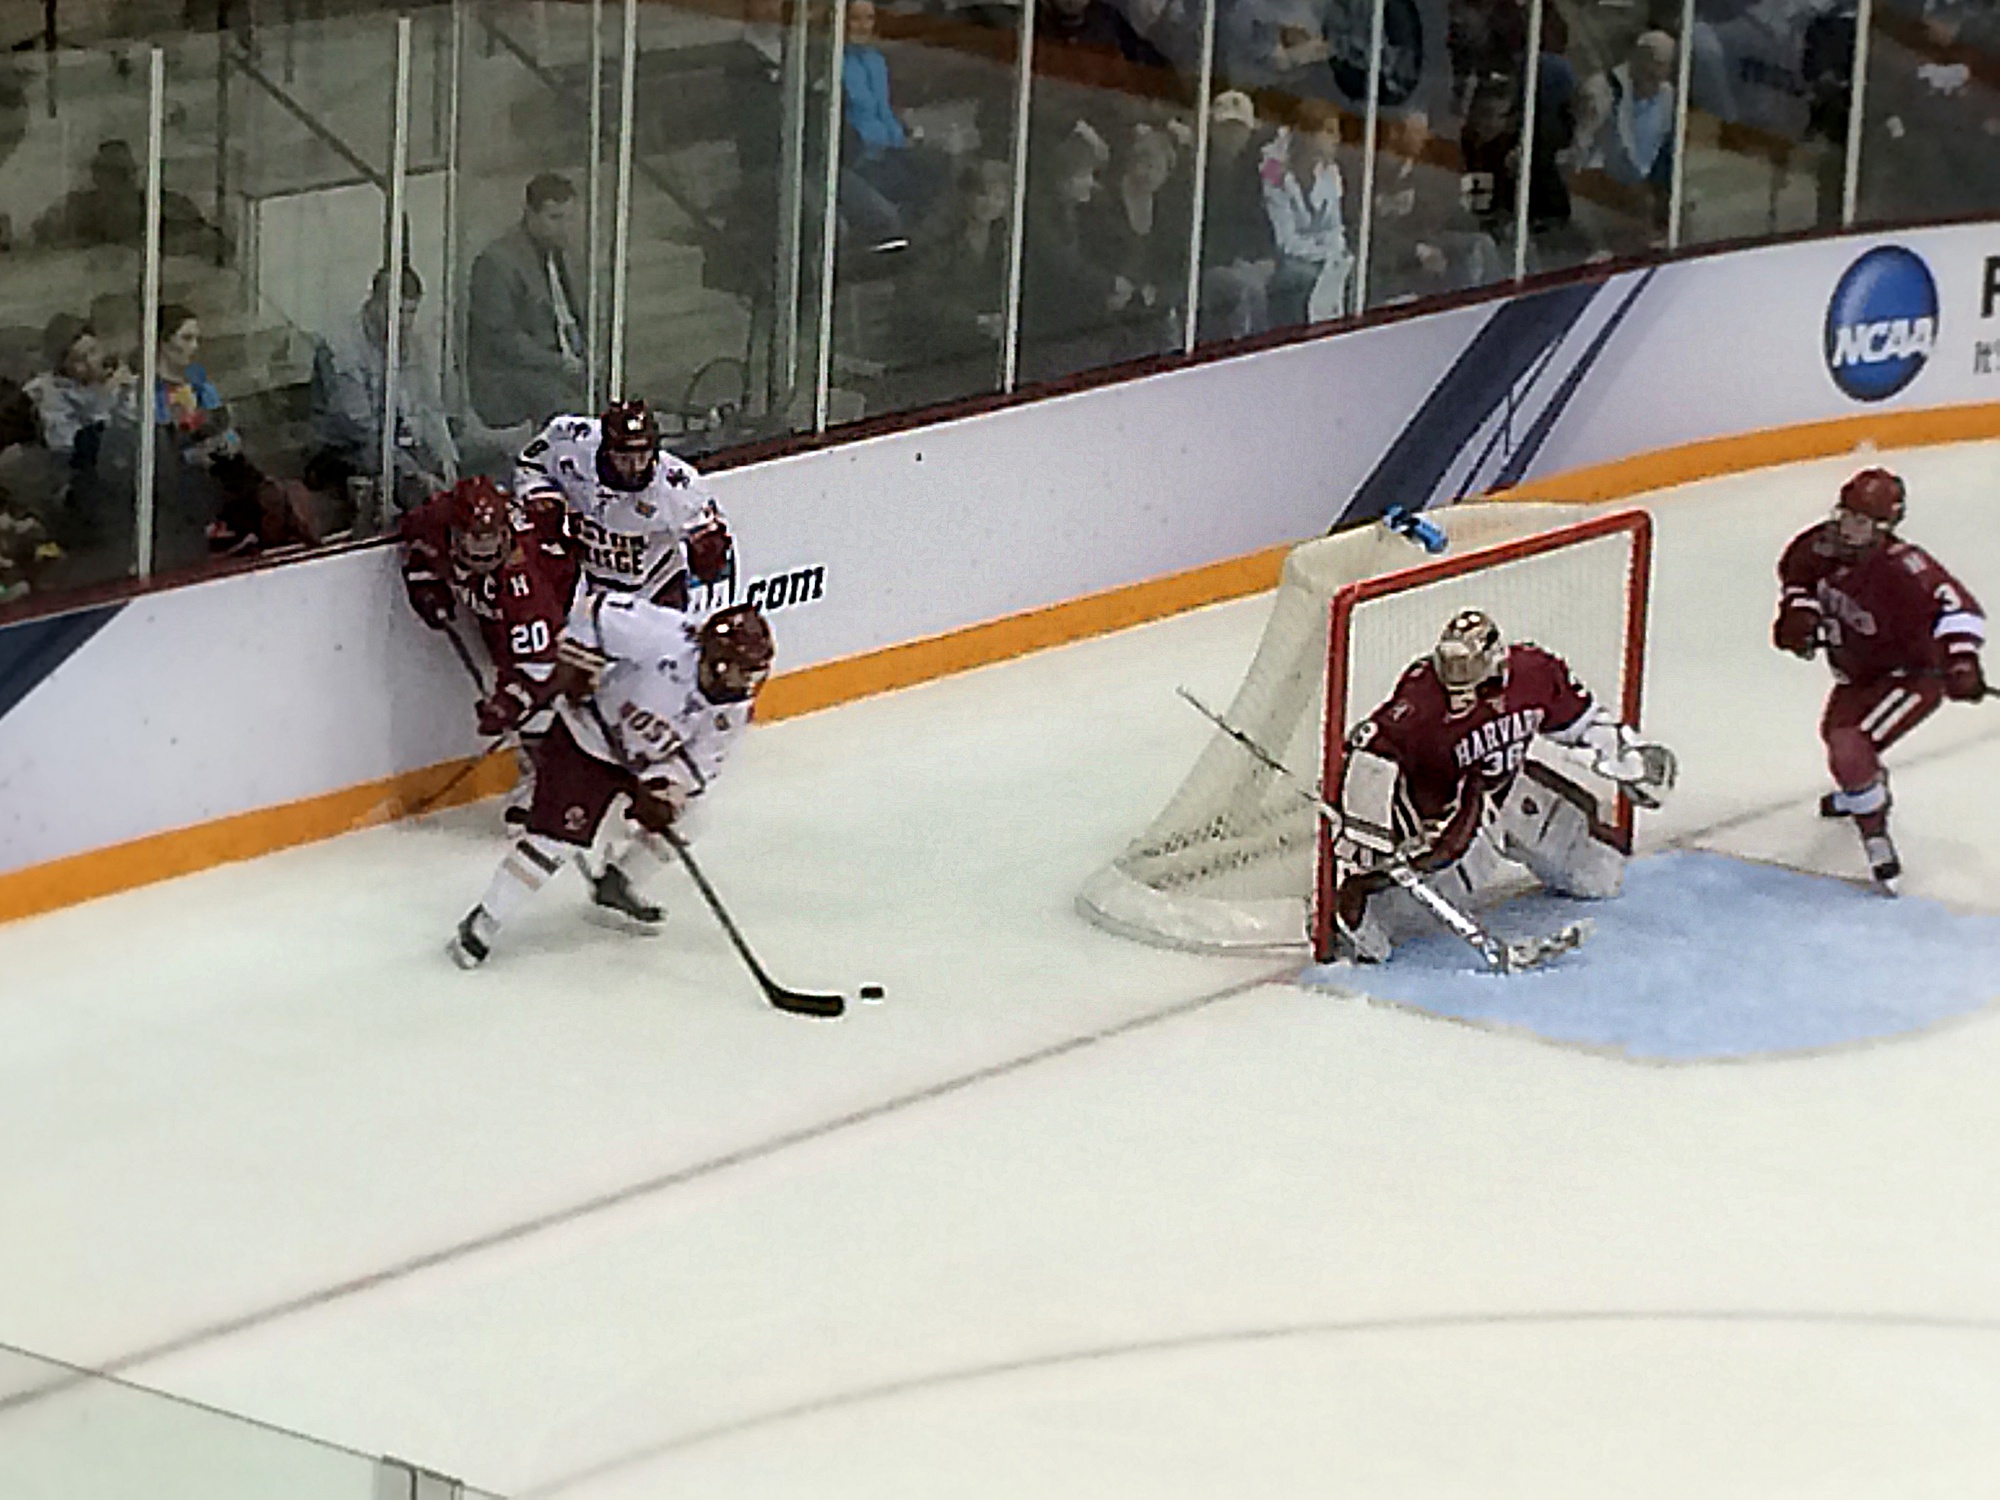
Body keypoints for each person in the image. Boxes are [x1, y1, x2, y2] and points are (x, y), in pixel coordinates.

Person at [1329, 608, 1677, 962]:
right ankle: (1347, 911)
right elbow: (1370, 750)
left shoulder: (1534, 673)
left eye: (1466, 665)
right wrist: (1365, 826)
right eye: (1449, 663)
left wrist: (1626, 757)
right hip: (1449, 820)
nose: (1455, 675)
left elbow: (1582, 720)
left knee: (1602, 873)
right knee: (1404, 913)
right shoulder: (1421, 696)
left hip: (1512, 789)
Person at [447, 598, 775, 969]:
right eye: (742, 671)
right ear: (716, 661)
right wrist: (579, 659)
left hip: (640, 765)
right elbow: (595, 610)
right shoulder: (662, 637)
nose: (747, 682)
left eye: (753, 672)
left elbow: (697, 766)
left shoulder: (732, 711)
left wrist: (664, 792)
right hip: (583, 741)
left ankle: (616, 883)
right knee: (555, 843)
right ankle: (484, 922)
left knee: (692, 819)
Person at [1773, 467, 1987, 891]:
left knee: (1850, 745)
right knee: (1837, 743)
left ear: (1884, 527)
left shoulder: (1904, 567)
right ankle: (1861, 788)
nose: (1847, 527)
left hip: (1913, 676)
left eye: (1861, 521)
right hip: (1858, 674)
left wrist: (1961, 661)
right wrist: (1800, 615)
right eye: (1845, 514)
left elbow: (1958, 608)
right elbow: (1798, 581)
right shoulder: (1815, 545)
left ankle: (1874, 833)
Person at [401, 476, 579, 825]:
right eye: (474, 541)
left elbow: (539, 666)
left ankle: (542, 784)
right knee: (512, 673)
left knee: (543, 707)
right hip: (499, 615)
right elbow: (418, 542)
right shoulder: (435, 520)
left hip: (568, 605)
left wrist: (508, 704)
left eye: (491, 541)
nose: (484, 553)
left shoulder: (522, 578)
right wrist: (425, 581)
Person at [512, 398, 734, 608]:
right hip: (584, 585)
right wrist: (540, 497)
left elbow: (710, 534)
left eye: (643, 456)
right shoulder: (570, 440)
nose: (635, 467)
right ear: (606, 448)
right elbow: (530, 464)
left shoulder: (678, 485)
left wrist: (709, 549)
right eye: (624, 458)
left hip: (654, 587)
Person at [152, 303, 316, 565]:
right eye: (186, 338)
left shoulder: (198, 380)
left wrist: (226, 442)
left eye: (196, 338)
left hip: (216, 461)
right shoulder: (150, 389)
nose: (194, 346)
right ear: (162, 341)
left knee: (240, 469)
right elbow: (162, 442)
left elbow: (223, 424)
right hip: (180, 470)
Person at [309, 264, 458, 521]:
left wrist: (447, 459)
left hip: (401, 447)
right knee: (416, 493)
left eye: (411, 312)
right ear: (375, 302)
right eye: (397, 310)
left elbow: (431, 409)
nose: (405, 321)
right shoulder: (341, 348)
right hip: (345, 453)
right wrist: (414, 471)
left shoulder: (415, 343)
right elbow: (360, 429)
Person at [466, 174, 587, 431]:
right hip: (508, 376)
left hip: (558, 367)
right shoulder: (497, 262)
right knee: (565, 403)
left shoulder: (564, 256)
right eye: (555, 218)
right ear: (530, 215)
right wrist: (559, 363)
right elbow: (501, 339)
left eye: (569, 218)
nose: (564, 227)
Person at [1259, 98, 1351, 326]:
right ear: (1307, 134)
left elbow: (1334, 227)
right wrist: (1324, 254)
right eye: (1328, 132)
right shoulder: (1274, 171)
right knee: (1301, 277)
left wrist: (1334, 252)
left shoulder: (1330, 172)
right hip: (1280, 259)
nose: (1336, 140)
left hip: (1321, 256)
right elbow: (1285, 241)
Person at [1198, 90, 1278, 343]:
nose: (1232, 136)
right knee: (1246, 289)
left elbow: (1259, 222)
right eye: (1225, 128)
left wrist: (1265, 257)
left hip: (1244, 261)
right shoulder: (1196, 171)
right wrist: (1230, 262)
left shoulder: (1251, 172)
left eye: (1238, 129)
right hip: (1207, 264)